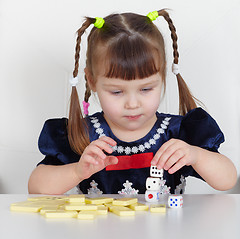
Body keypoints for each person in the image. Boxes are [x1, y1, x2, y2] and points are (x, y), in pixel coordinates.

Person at [28, 9, 237, 195]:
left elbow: (228, 180)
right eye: (117, 92)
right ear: (91, 81)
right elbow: (36, 187)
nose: (132, 103)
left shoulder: (178, 133)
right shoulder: (81, 135)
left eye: (146, 89)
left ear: (162, 76)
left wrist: (196, 156)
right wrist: (76, 171)